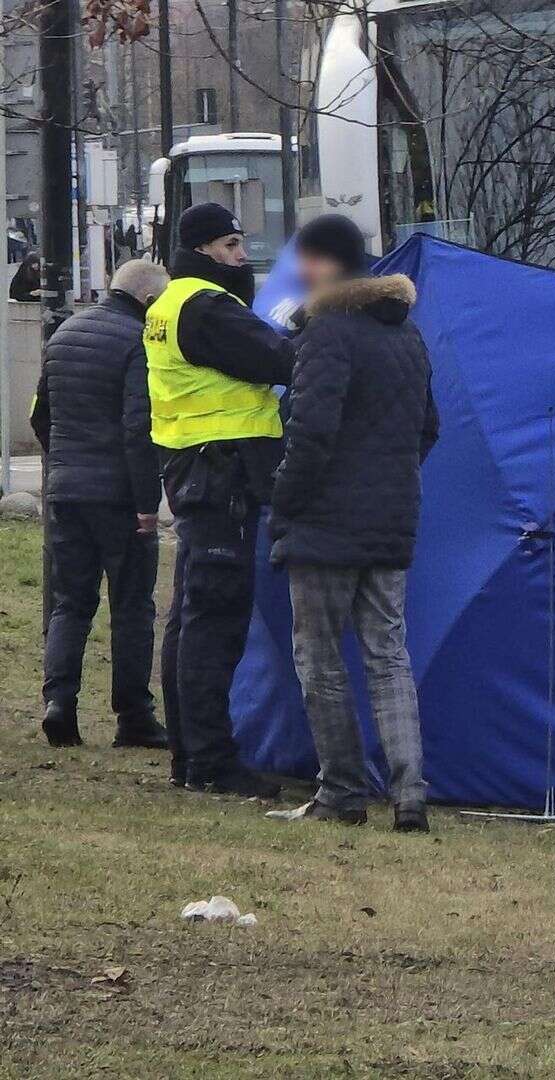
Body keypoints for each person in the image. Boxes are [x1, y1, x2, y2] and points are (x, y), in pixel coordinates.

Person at [270, 214, 438, 832]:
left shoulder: (325, 333)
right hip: (392, 519)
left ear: (328, 264)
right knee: (388, 656)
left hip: (324, 525)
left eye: (307, 257)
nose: (300, 269)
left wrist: (284, 501)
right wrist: (388, 478)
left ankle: (341, 792)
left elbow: (310, 433)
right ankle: (411, 795)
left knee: (319, 659)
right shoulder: (408, 337)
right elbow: (429, 429)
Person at [147, 202, 294, 798]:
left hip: (197, 473)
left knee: (188, 618)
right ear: (205, 250)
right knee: (214, 622)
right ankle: (210, 761)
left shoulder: (169, 306)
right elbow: (279, 357)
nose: (243, 256)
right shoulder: (206, 307)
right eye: (232, 245)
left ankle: (191, 757)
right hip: (221, 475)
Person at [31, 259, 171, 749]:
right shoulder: (138, 342)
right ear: (149, 301)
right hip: (118, 497)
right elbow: (138, 427)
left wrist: (65, 462)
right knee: (132, 606)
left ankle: (59, 704)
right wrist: (146, 501)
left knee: (70, 603)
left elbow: (40, 414)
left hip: (67, 493)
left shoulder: (65, 333)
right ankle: (133, 716)